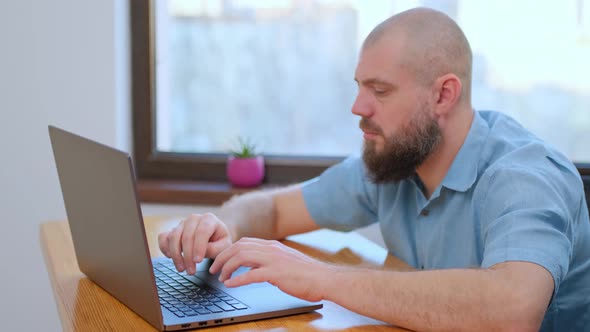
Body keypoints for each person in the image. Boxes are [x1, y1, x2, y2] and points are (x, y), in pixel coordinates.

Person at [158, 7, 590, 332]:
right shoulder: (395, 160)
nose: (357, 107)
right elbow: (272, 210)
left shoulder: (524, 175)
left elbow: (512, 310)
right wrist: (223, 225)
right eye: (360, 87)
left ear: (443, 95)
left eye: (379, 91)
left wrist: (322, 279)